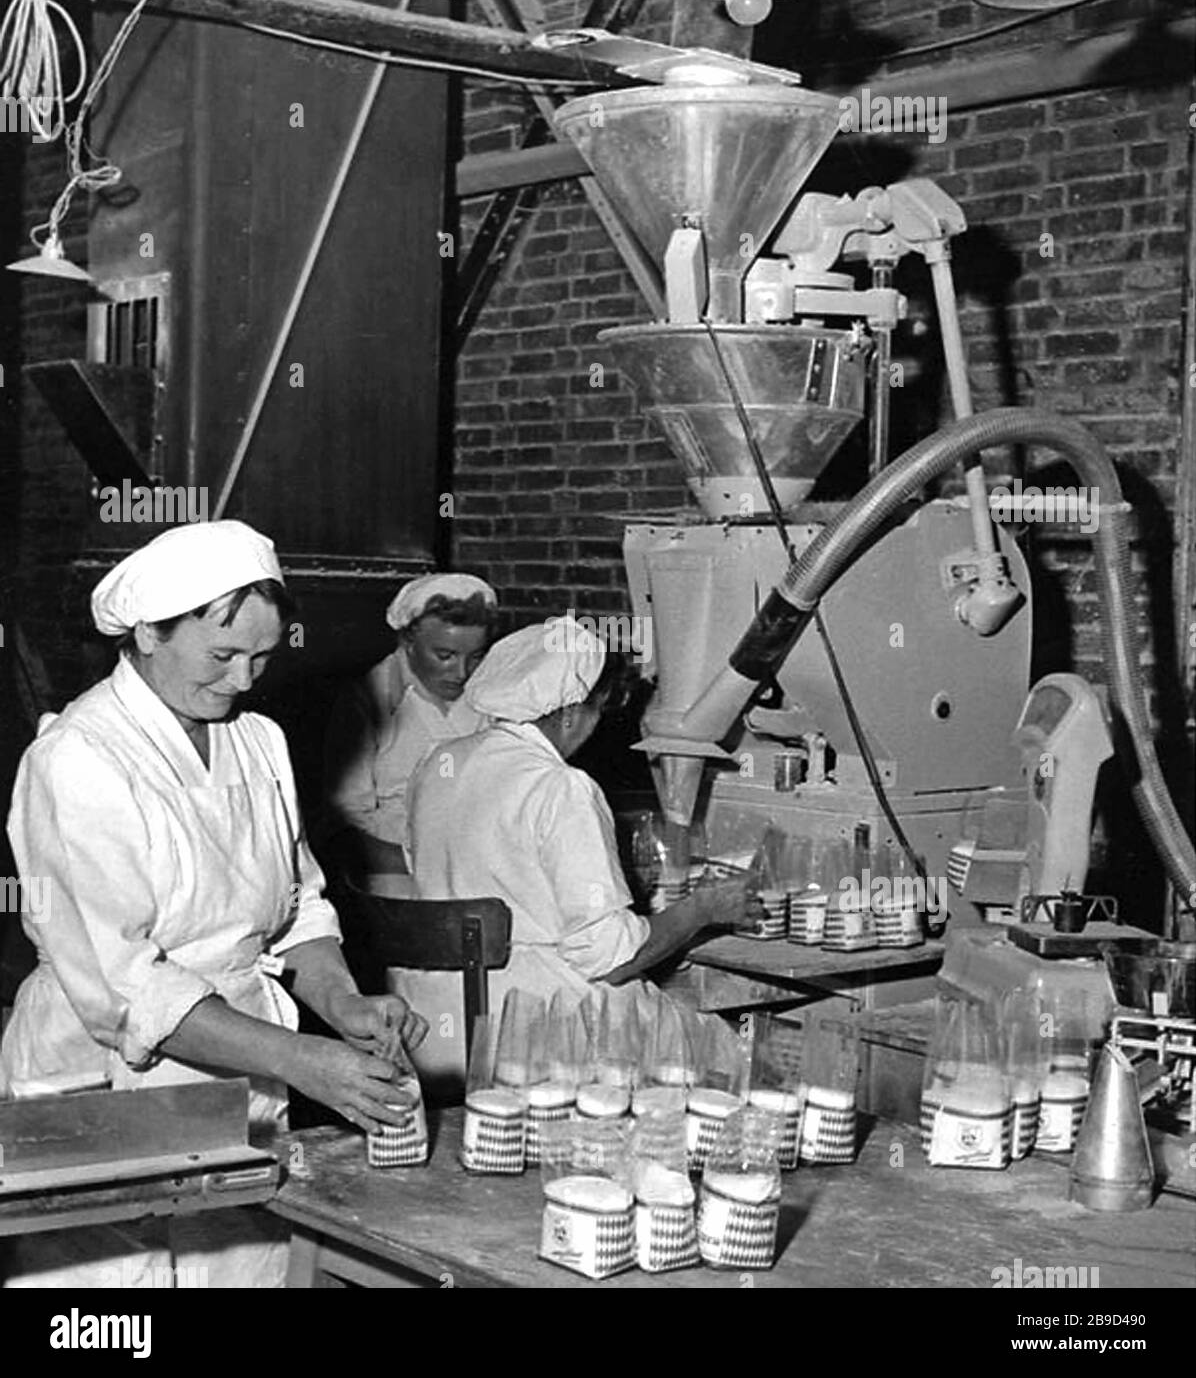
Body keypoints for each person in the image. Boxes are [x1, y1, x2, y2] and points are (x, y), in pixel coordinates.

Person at [0, 520, 425, 1289]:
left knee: (242, 1271)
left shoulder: (257, 742)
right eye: (222, 655)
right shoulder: (77, 758)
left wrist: (343, 1002)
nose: (243, 681)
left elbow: (295, 908)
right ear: (149, 633)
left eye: (261, 658)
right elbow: (125, 987)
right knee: (114, 1306)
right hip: (105, 1078)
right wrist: (299, 1058)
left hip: (240, 1074)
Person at [403, 615, 746, 1087]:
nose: (594, 726)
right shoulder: (560, 787)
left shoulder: (437, 762)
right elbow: (611, 957)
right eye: (596, 711)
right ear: (568, 712)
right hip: (533, 1031)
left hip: (438, 1022)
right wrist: (703, 909)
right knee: (728, 1050)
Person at [322, 573, 497, 882]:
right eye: (444, 656)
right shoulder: (368, 699)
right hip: (393, 871)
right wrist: (423, 868)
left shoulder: (495, 696)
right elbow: (344, 825)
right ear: (408, 642)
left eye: (475, 657)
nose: (462, 673)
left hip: (482, 864)